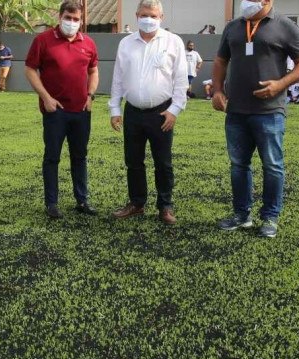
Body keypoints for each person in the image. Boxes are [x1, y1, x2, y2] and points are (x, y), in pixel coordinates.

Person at [211, 0, 299, 238]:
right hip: (236, 110)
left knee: (273, 165)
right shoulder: (233, 26)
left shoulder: (285, 26)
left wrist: (280, 84)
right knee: (238, 165)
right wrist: (217, 90)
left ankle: (270, 217)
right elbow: (220, 61)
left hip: (269, 111)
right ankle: (241, 215)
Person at [109, 0, 188, 225]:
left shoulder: (173, 42)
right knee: (133, 161)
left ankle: (165, 206)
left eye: (153, 15)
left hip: (162, 113)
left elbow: (181, 81)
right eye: (144, 14)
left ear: (161, 17)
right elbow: (118, 78)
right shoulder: (125, 43)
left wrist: (174, 110)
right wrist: (115, 108)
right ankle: (136, 203)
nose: (148, 19)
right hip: (133, 112)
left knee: (163, 162)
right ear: (136, 15)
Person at [25, 0, 99, 219]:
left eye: (76, 19)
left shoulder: (88, 43)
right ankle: (52, 204)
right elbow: (30, 70)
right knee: (52, 157)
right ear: (60, 17)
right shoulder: (43, 41)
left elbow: (94, 70)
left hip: (81, 111)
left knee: (80, 157)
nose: (72, 23)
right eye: (68, 18)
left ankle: (82, 201)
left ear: (81, 21)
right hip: (55, 111)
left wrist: (90, 96)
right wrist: (46, 98)